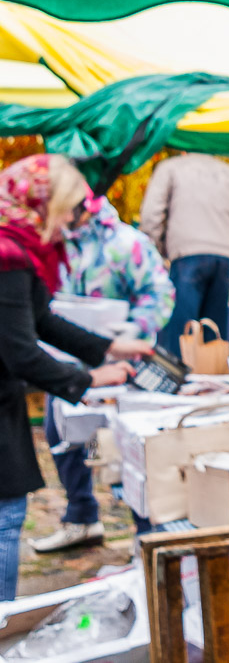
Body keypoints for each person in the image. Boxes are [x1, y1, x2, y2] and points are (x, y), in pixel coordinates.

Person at [0, 155, 151, 600]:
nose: (70, 220)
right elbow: (19, 350)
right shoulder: (8, 254)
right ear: (41, 204)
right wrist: (87, 380)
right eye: (67, 207)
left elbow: (40, 319)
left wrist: (107, 348)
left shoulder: (14, 244)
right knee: (6, 518)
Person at [30, 195, 174, 553]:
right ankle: (82, 517)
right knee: (61, 438)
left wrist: (127, 332)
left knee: (126, 451)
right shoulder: (50, 242)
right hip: (65, 366)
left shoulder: (127, 243)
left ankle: (147, 536)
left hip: (121, 368)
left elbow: (159, 294)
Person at [139, 153, 229, 356]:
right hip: (222, 255)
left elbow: (150, 217)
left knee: (182, 332)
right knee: (213, 331)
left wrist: (157, 250)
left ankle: (180, 380)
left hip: (186, 254)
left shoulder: (170, 167)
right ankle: (213, 380)